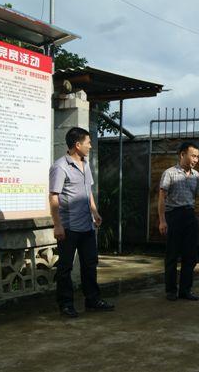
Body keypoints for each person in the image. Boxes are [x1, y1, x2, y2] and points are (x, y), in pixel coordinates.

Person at [49, 127, 114, 318]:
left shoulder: (86, 165)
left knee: (90, 264)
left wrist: (95, 212)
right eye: (88, 142)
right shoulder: (60, 166)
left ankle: (92, 300)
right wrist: (57, 224)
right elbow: (54, 197)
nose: (90, 146)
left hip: (86, 225)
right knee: (65, 268)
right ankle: (66, 304)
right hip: (68, 227)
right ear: (77, 145)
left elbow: (88, 192)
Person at [158, 142, 199, 301]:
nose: (195, 159)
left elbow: (195, 196)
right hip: (173, 216)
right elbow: (162, 197)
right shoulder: (169, 173)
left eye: (197, 156)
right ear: (182, 155)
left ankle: (185, 290)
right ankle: (171, 290)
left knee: (190, 256)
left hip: (190, 215)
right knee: (172, 255)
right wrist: (162, 220)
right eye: (193, 156)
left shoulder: (196, 175)